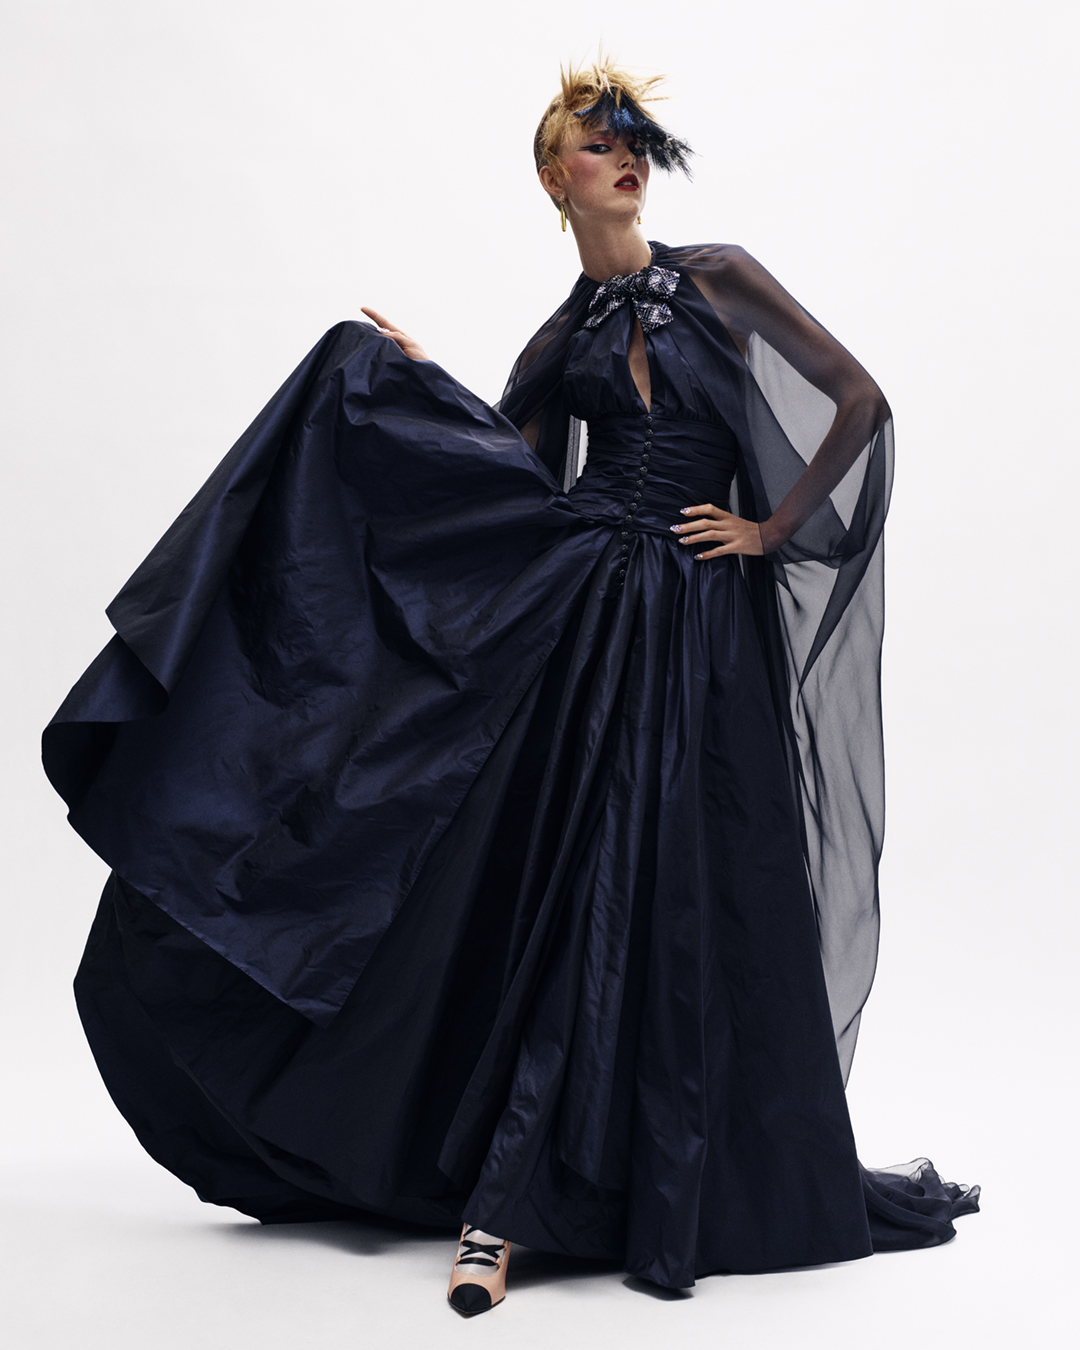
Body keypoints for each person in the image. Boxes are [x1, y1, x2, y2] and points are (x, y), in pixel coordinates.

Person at [43, 59, 978, 1318]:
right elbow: (502, 478)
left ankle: (627, 1178)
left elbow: (859, 400)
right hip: (587, 630)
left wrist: (769, 532)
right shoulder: (564, 337)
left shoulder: (720, 277)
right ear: (554, 177)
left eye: (635, 141)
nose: (626, 158)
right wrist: (411, 381)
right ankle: (504, 1197)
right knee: (560, 890)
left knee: (681, 891)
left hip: (701, 626)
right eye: (598, 144)